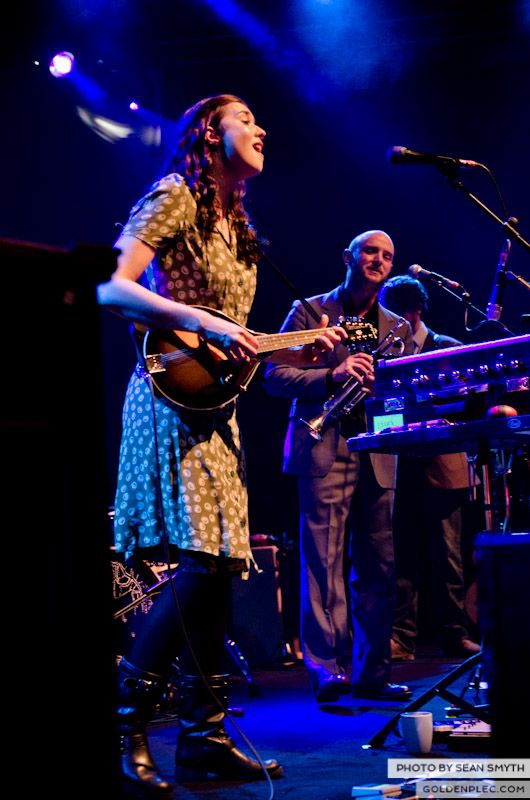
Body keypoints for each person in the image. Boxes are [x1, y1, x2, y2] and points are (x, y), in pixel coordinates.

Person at [97, 94, 345, 796]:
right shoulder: (173, 194)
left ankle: (204, 739)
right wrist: (199, 318)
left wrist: (294, 347)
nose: (263, 128)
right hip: (168, 402)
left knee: (219, 575)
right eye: (246, 120)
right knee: (203, 564)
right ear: (211, 134)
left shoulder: (237, 223)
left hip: (215, 406)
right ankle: (127, 717)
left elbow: (233, 341)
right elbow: (110, 289)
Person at [263, 230, 414, 704]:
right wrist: (333, 374)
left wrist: (387, 387)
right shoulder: (310, 312)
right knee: (322, 563)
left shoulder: (397, 327)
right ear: (346, 256)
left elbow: (406, 390)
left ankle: (373, 673)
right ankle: (327, 669)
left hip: (377, 447)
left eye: (387, 255)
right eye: (370, 251)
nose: (379, 260)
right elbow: (274, 374)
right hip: (323, 442)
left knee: (380, 567)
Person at [378, 274, 481, 660]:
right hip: (399, 465)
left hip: (443, 466)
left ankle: (454, 633)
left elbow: (467, 407)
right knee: (401, 554)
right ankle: (402, 637)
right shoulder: (384, 350)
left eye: (395, 316)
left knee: (447, 555)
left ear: (415, 313)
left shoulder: (446, 348)